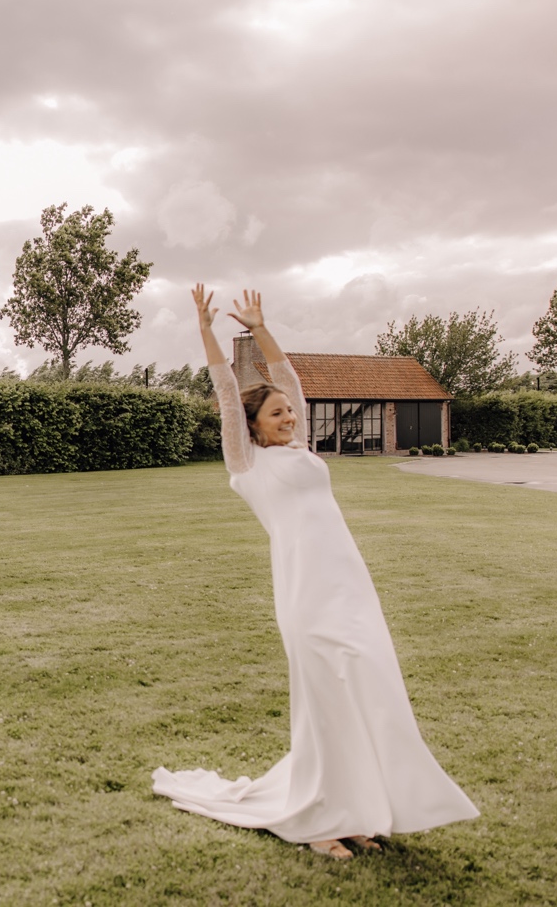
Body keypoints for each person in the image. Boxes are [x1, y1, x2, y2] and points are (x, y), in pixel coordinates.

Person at [150, 288, 479, 859]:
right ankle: (317, 817)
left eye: (290, 411)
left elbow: (290, 380)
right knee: (326, 698)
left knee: (366, 688)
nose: (289, 416)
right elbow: (228, 392)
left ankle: (354, 810)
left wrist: (262, 327)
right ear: (253, 426)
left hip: (349, 586)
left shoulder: (300, 447)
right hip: (305, 593)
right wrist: (206, 331)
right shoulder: (247, 462)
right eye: (276, 413)